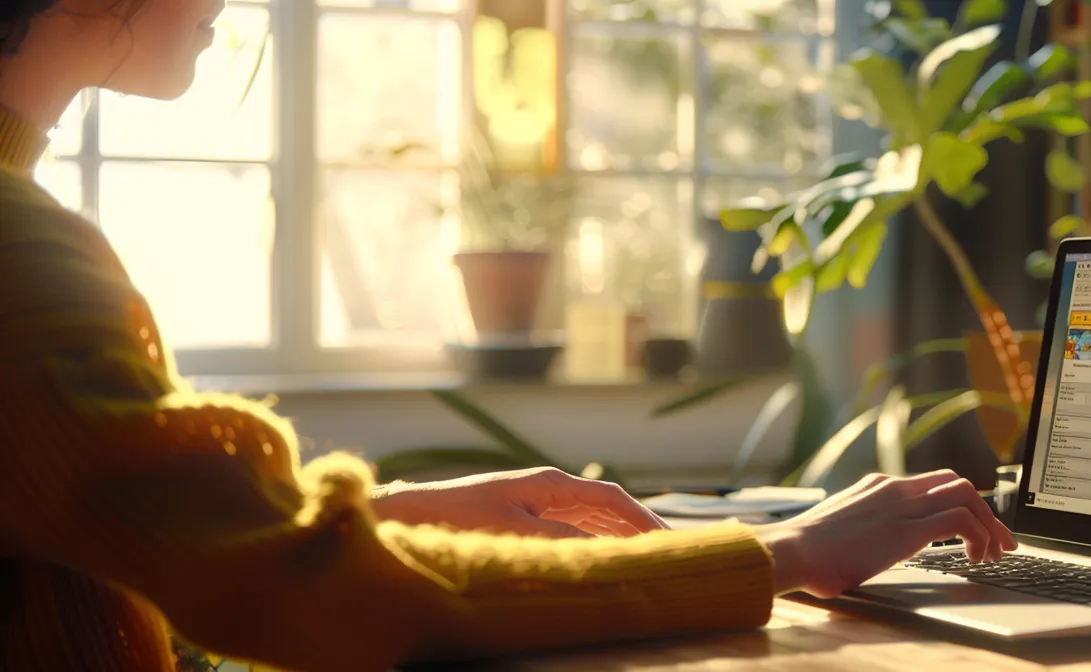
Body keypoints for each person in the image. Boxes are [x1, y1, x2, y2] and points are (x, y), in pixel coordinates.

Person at [0, 2, 1017, 670]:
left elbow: (116, 534)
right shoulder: (21, 248)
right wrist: (777, 551)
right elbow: (294, 593)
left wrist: (397, 515)